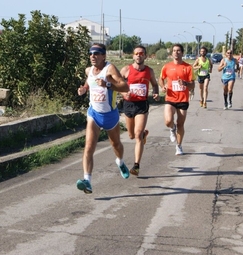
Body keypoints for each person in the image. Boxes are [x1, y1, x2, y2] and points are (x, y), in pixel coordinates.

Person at [76, 43, 130, 194]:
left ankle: (120, 162)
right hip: (93, 114)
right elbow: (89, 81)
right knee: (88, 147)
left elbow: (125, 87)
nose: (93, 56)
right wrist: (84, 89)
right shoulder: (89, 70)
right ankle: (87, 181)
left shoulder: (110, 69)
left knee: (116, 145)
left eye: (97, 53)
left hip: (110, 115)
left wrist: (107, 84)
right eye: (91, 53)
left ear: (104, 56)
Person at [120, 45, 160, 176]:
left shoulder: (149, 71)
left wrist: (155, 93)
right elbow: (117, 84)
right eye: (136, 53)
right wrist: (123, 93)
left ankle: (136, 165)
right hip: (128, 104)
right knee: (131, 135)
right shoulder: (126, 70)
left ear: (145, 56)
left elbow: (154, 84)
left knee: (137, 134)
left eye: (141, 53)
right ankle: (143, 135)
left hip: (142, 105)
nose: (139, 55)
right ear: (133, 56)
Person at [158, 43, 195, 155]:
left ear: (182, 53)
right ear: (172, 53)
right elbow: (161, 78)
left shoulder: (188, 67)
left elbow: (192, 85)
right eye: (174, 50)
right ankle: (172, 128)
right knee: (168, 120)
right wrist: (162, 86)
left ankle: (179, 146)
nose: (176, 52)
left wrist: (185, 83)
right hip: (170, 97)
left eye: (178, 50)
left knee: (180, 124)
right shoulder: (167, 66)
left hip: (183, 99)